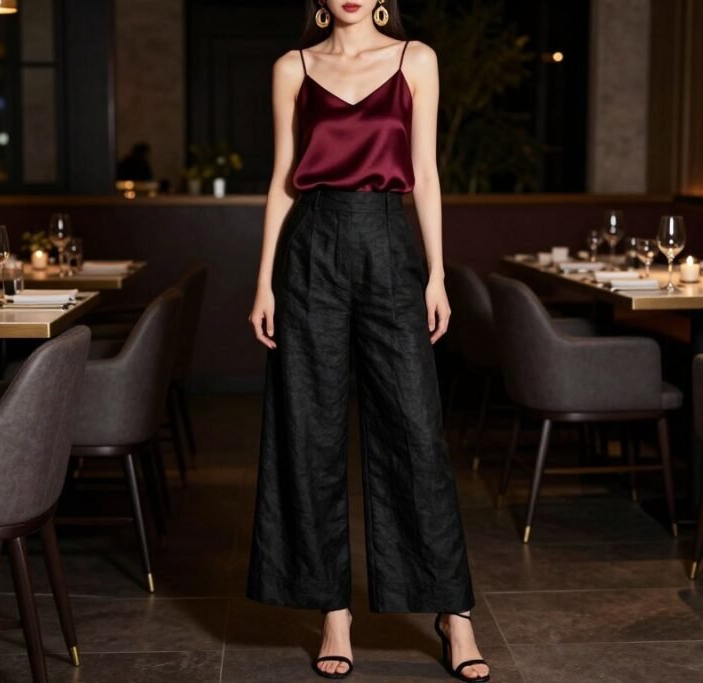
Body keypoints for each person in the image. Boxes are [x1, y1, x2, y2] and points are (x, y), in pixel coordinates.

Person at [246, 1, 490, 681]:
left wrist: (436, 272)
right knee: (310, 429)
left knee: (416, 429)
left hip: (389, 242)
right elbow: (282, 180)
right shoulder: (293, 68)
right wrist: (264, 282)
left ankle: (454, 612)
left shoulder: (416, 59)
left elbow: (426, 174)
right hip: (311, 250)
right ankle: (332, 611)